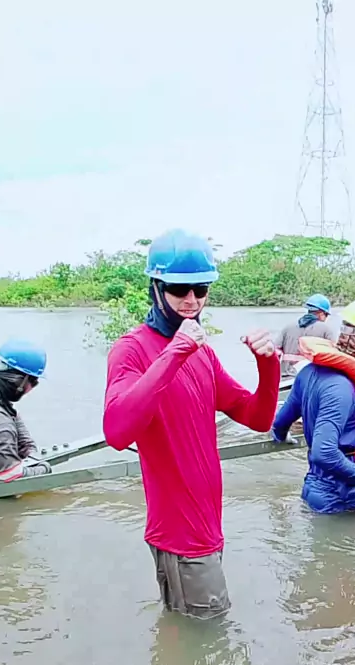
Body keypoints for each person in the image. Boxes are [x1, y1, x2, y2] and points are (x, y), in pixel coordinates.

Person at [103, 228, 280, 620]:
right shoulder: (131, 350)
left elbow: (257, 417)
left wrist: (268, 364)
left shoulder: (203, 354)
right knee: (209, 633)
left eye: (201, 290)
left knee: (189, 631)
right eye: (179, 289)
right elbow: (116, 432)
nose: (191, 300)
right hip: (180, 536)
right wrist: (176, 350)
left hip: (208, 526)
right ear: (156, 288)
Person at [271, 297, 355, 514]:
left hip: (314, 488)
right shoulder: (342, 389)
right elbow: (324, 452)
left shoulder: (308, 372)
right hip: (339, 497)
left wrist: (282, 436)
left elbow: (280, 423)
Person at [0, 338, 52, 500]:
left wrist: (29, 449)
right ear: (21, 383)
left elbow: (10, 415)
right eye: (34, 382)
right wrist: (44, 468)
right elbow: (9, 479)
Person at [275, 293, 337, 377]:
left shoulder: (288, 327)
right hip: (311, 378)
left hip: (285, 377)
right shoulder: (326, 329)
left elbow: (274, 352)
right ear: (321, 313)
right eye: (326, 315)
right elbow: (334, 356)